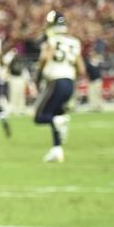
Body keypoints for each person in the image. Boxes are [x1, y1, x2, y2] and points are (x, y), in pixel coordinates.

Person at [35, 11, 85, 163]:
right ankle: (57, 149)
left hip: (56, 80)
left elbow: (45, 58)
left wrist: (39, 75)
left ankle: (58, 122)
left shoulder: (51, 40)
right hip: (69, 81)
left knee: (40, 117)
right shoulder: (74, 42)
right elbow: (81, 69)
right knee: (55, 113)